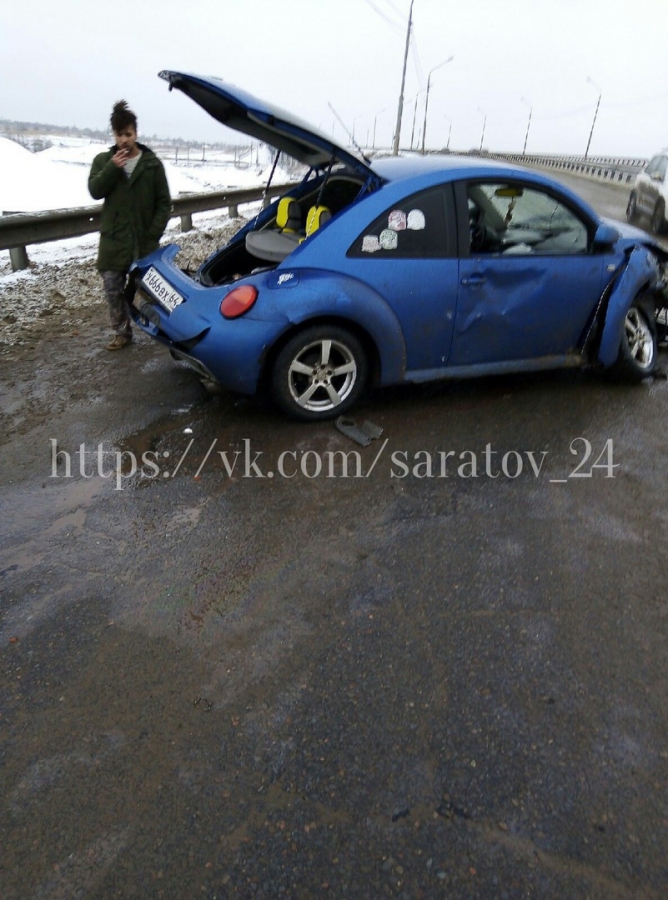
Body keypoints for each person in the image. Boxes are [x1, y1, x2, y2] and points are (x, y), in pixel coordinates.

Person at [88, 100, 171, 350]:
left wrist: (153, 234)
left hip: (143, 242)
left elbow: (164, 202)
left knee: (147, 291)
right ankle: (122, 333)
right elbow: (95, 190)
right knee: (112, 288)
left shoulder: (151, 164)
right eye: (119, 134)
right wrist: (113, 169)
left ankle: (165, 331)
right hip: (114, 242)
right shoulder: (104, 161)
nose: (123, 140)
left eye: (128, 134)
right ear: (113, 134)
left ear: (136, 133)